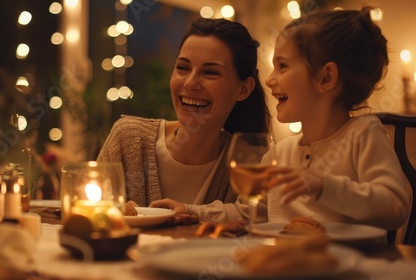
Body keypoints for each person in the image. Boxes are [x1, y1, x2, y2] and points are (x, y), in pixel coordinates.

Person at [97, 18, 270, 222]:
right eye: (183, 67)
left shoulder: (249, 163)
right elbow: (89, 214)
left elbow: (256, 227)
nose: (190, 83)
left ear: (243, 89)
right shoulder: (128, 138)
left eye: (210, 72)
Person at [261, 6, 410, 230]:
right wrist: (192, 210)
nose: (270, 80)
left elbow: (394, 207)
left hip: (352, 263)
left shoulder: (363, 134)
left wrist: (324, 187)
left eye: (283, 66)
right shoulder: (279, 153)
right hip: (287, 262)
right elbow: (253, 212)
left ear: (326, 77)